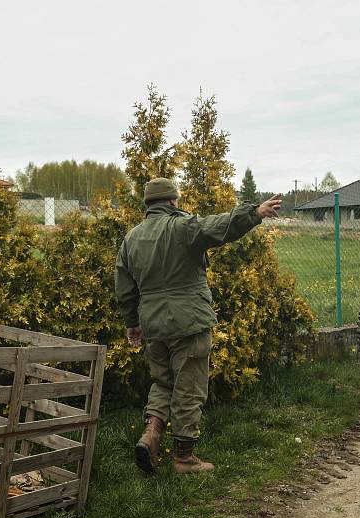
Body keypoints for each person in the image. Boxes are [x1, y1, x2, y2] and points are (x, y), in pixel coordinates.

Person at [114, 177, 282, 474]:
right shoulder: (182, 227)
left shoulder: (132, 238)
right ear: (172, 201)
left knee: (163, 382)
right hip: (188, 321)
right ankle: (184, 457)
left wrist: (132, 324)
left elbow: (125, 288)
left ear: (148, 204)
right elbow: (219, 227)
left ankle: (150, 435)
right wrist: (255, 213)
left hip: (153, 323)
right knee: (189, 387)